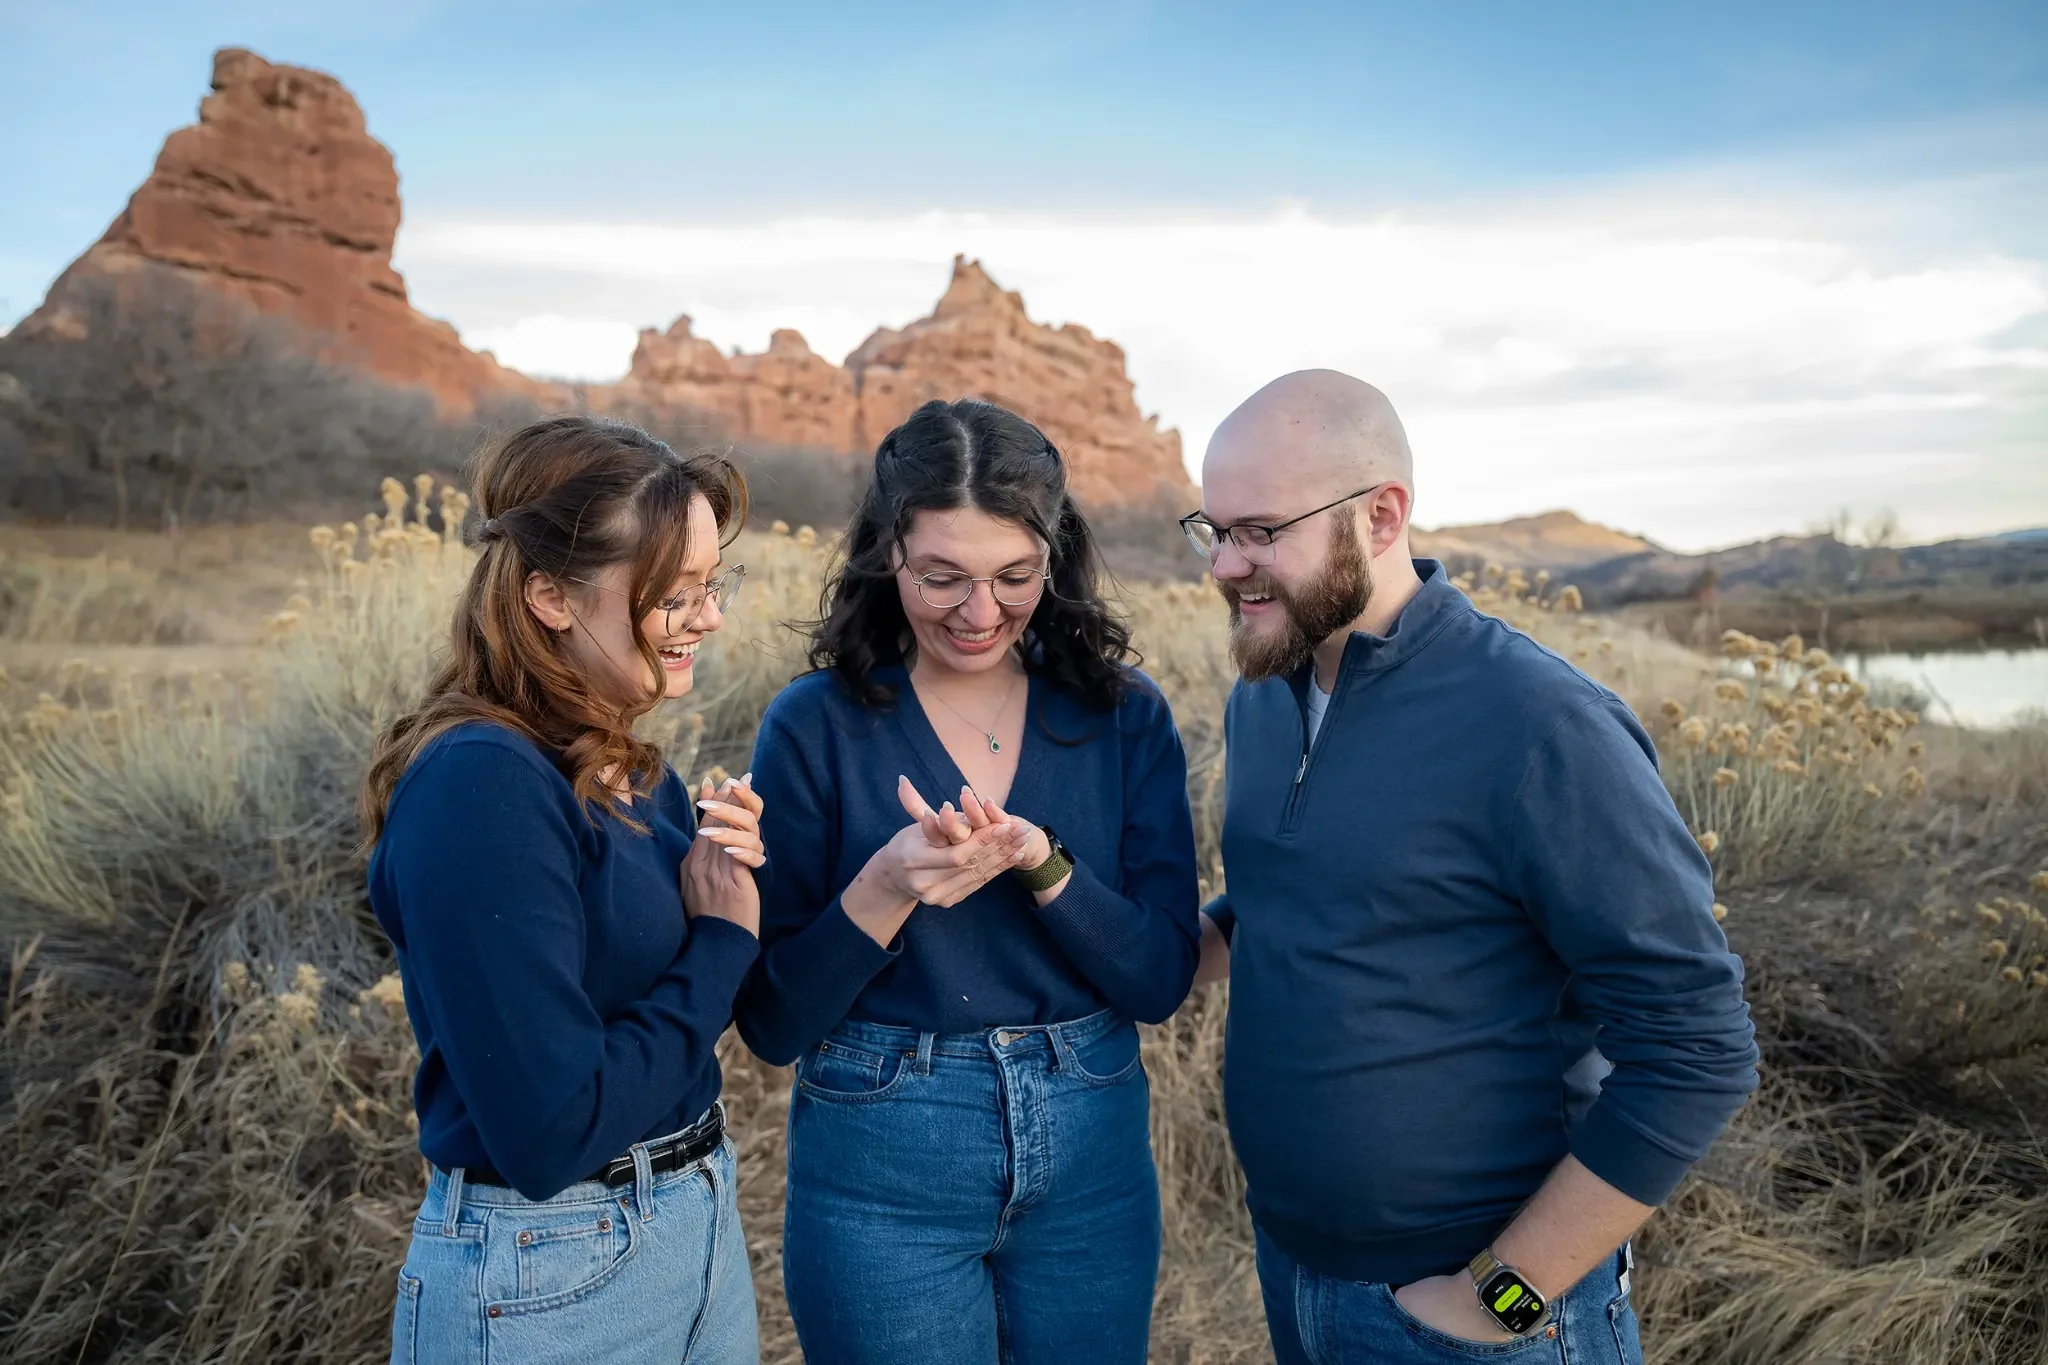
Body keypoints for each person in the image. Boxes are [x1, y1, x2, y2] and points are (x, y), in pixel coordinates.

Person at [1185, 371, 1759, 1364]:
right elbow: (1302, 898)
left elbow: (1696, 1048)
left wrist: (1498, 1298)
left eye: (1261, 531)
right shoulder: (1264, 690)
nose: (1228, 565)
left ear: (1380, 515)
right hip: (1292, 1269)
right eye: (1214, 529)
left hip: (1476, 1316)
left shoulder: (1538, 724)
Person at [736, 398, 1201, 1365]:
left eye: (1013, 576)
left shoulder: (1122, 717)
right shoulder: (813, 724)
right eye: (941, 577)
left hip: (1092, 1145)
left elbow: (1159, 979)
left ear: (1054, 559)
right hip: (881, 1152)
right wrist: (886, 884)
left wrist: (1045, 867)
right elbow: (774, 1024)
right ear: (886, 554)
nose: (980, 613)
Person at [361, 415, 765, 1365]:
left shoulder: (627, 766)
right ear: (549, 594)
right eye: (676, 594)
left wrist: (755, 887)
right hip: (549, 1274)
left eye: (715, 587)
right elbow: (550, 1129)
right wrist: (720, 941)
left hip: (692, 1219)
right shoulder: (480, 784)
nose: (708, 618)